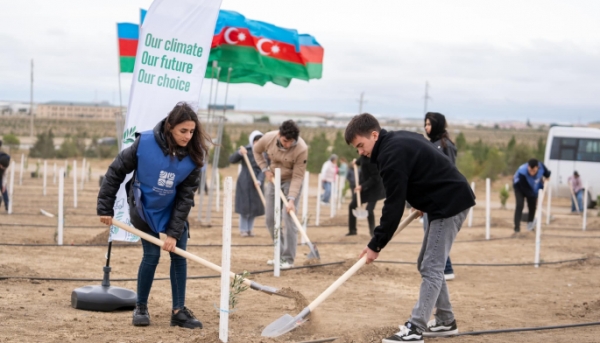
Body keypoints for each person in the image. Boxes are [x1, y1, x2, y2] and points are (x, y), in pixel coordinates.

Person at [344, 113, 475, 342]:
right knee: (425, 264)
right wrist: (420, 199)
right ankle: (445, 321)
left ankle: (415, 329)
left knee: (431, 267)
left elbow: (393, 205)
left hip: (449, 204)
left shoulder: (390, 154)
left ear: (374, 135)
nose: (361, 152)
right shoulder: (396, 141)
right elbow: (422, 169)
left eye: (361, 145)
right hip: (442, 201)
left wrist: (376, 244)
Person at [97, 102, 208, 329]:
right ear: (169, 127)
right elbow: (116, 170)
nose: (188, 136)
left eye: (192, 131)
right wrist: (105, 208)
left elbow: (186, 197)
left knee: (179, 256)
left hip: (173, 210)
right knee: (151, 256)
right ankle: (141, 307)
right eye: (183, 131)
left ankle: (178, 311)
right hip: (144, 208)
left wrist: (173, 234)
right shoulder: (144, 143)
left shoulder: (194, 158)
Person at [253, 120, 308, 269]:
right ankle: (279, 254)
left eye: (291, 142)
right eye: (285, 141)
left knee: (288, 218)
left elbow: (298, 177)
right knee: (270, 219)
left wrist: (291, 200)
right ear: (279, 135)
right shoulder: (268, 138)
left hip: (291, 181)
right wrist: (264, 169)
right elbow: (256, 151)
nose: (287, 145)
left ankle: (288, 259)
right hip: (273, 180)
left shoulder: (301, 149)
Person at [423, 112, 457, 281]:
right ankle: (440, 268)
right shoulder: (433, 144)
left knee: (436, 236)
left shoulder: (445, 146)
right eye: (425, 124)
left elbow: (446, 172)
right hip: (431, 198)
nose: (426, 127)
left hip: (440, 199)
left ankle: (446, 268)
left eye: (429, 124)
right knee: (431, 235)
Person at [229, 130, 265, 237]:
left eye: (260, 141)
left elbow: (264, 168)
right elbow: (232, 159)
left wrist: (259, 180)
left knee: (254, 208)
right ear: (252, 141)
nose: (257, 143)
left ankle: (249, 229)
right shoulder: (245, 149)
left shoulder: (264, 153)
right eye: (256, 141)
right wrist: (239, 153)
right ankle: (243, 229)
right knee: (245, 208)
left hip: (257, 182)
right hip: (245, 181)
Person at [346, 155, 385, 237]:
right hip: (363, 187)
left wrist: (362, 186)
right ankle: (352, 231)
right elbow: (361, 160)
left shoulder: (374, 160)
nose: (360, 151)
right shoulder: (364, 155)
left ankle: (372, 232)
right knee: (352, 205)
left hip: (374, 188)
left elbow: (375, 178)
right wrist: (356, 162)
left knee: (369, 210)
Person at [512, 158, 551, 232]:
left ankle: (530, 226)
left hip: (531, 186)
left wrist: (547, 177)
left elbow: (547, 173)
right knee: (520, 205)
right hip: (519, 187)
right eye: (530, 171)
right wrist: (535, 196)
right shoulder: (522, 172)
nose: (532, 173)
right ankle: (517, 227)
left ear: (538, 167)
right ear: (528, 167)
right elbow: (525, 189)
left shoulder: (541, 167)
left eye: (534, 171)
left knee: (532, 207)